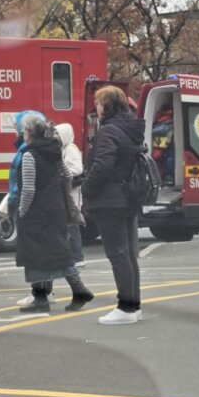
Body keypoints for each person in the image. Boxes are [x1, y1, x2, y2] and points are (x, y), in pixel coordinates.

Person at [14, 116, 93, 314]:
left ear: (29, 133)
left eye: (24, 130)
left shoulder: (29, 155)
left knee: (35, 254)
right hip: (56, 209)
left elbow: (28, 189)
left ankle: (46, 297)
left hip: (36, 211)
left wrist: (22, 210)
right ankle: (72, 291)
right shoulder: (54, 152)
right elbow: (67, 175)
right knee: (56, 250)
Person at [81, 86, 146, 324]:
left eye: (98, 102)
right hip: (127, 197)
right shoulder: (130, 129)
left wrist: (86, 188)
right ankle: (133, 305)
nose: (96, 106)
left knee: (117, 254)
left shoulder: (109, 131)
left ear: (108, 106)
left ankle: (126, 308)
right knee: (128, 255)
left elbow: (103, 165)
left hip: (109, 200)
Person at [56, 122, 87, 272]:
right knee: (68, 224)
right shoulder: (64, 149)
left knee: (72, 225)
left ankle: (77, 257)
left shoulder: (71, 149)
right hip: (67, 193)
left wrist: (63, 171)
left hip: (72, 194)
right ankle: (72, 256)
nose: (55, 136)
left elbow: (77, 169)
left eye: (58, 133)